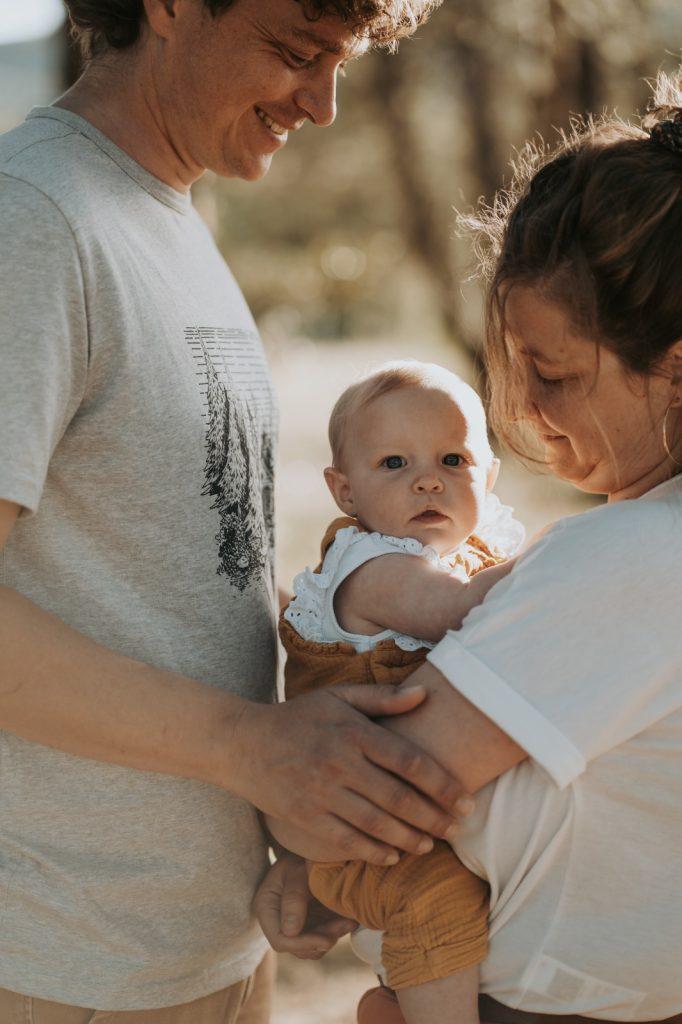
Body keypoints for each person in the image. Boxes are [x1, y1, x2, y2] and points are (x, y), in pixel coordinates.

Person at [0, 1, 472, 1021]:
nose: (325, 101)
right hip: (64, 970)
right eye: (297, 52)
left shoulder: (165, 216)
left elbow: (188, 575)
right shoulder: (32, 221)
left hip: (213, 946)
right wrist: (254, 748)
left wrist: (295, 829)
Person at [255, 74, 682, 1024]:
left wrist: (301, 853)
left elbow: (333, 799)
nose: (526, 410)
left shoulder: (634, 556)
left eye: (557, 374)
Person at [277, 360, 525, 1024]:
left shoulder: (475, 546)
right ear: (344, 490)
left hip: (414, 804)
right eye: (393, 464)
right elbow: (459, 610)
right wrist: (570, 563)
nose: (427, 479)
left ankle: (396, 1004)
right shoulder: (373, 566)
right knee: (436, 897)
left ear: (490, 476)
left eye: (453, 459)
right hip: (357, 833)